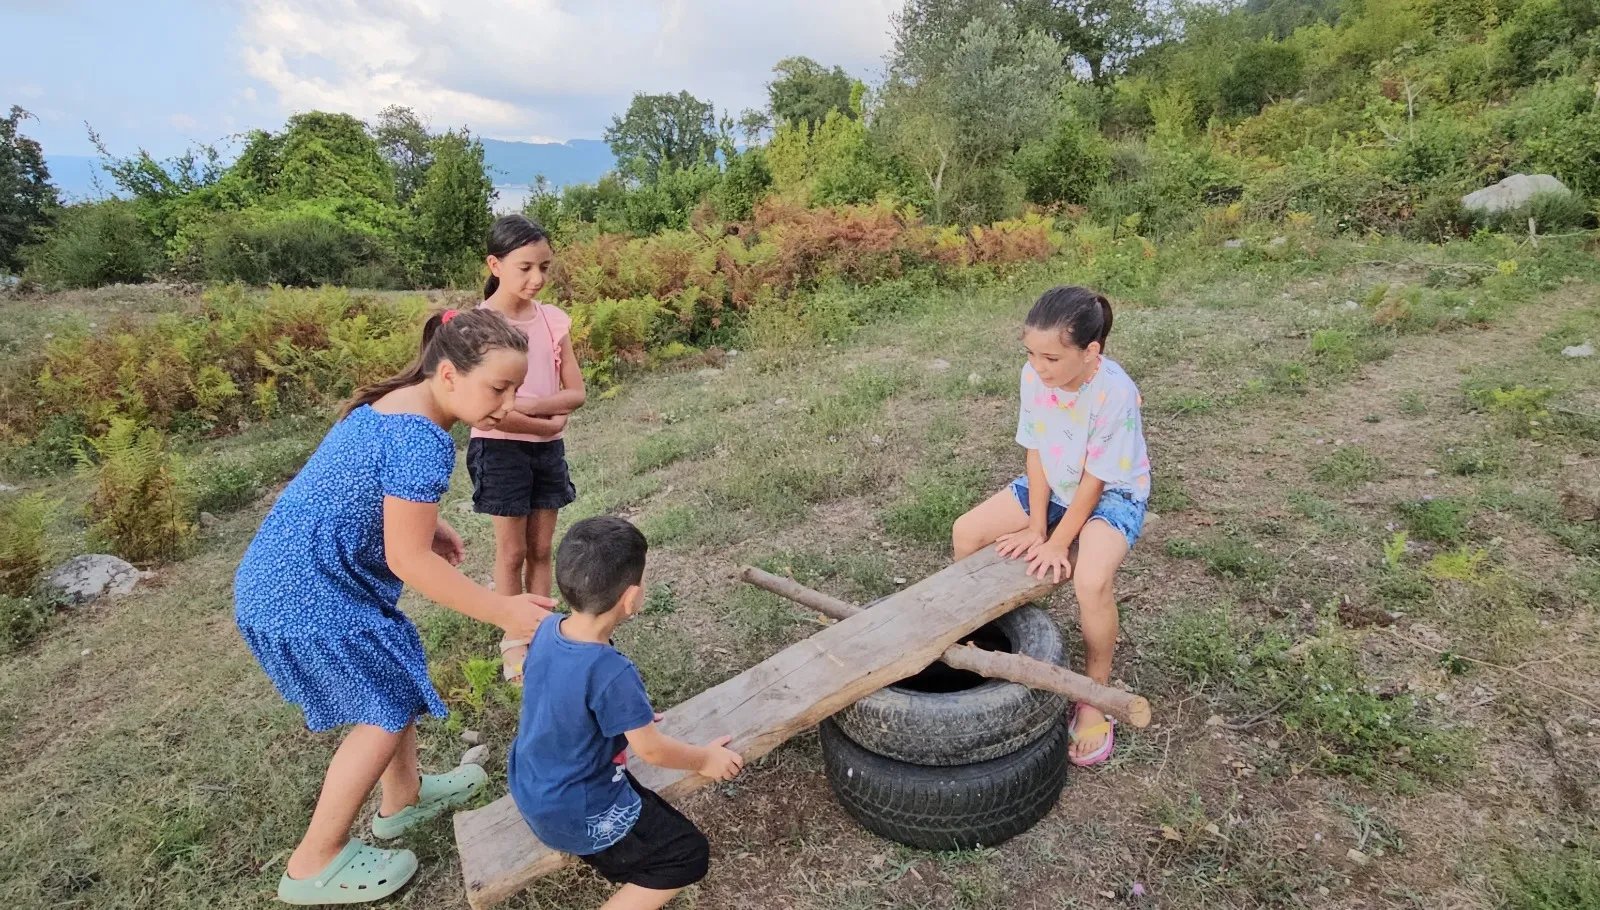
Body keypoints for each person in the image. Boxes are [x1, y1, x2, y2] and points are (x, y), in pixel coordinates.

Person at [234, 308, 556, 904]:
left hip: (282, 580)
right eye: (498, 387)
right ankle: (313, 863)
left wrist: (430, 526)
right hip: (304, 597)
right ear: (451, 375)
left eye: (516, 387)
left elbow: (358, 487)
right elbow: (409, 563)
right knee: (381, 711)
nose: (508, 404)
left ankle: (402, 801)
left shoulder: (396, 403)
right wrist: (501, 610)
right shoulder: (422, 438)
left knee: (394, 677)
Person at [950, 286, 1151, 768]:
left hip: (1112, 491)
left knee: (1090, 580)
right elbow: (1036, 450)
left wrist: (1062, 543)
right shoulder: (1034, 376)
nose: (1039, 368)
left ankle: (1094, 694)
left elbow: (1095, 482)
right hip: (1056, 479)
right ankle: (985, 644)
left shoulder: (1114, 393)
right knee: (967, 531)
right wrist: (1038, 528)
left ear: (1090, 352)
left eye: (1052, 358)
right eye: (1031, 354)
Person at [510, 516, 743, 910]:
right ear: (631, 598)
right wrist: (705, 759)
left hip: (533, 785)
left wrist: (624, 718)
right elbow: (652, 753)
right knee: (687, 854)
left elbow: (560, 694)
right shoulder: (611, 671)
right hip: (575, 811)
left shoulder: (549, 630)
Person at [467, 214, 587, 684]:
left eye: (545, 268)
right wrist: (544, 422)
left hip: (546, 452)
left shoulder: (553, 321)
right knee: (511, 551)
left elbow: (575, 392)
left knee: (541, 546)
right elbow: (486, 409)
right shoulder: (479, 327)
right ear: (495, 265)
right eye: (524, 268)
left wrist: (533, 408)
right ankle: (514, 641)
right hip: (500, 451)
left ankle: (542, 633)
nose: (536, 279)